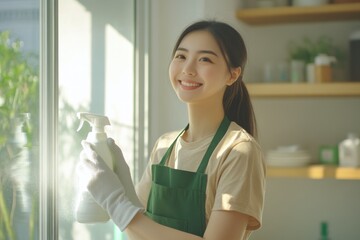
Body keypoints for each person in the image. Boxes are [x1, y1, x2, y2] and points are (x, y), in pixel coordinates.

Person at [78, 20, 266, 240]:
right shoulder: (166, 145)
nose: (187, 69)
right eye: (181, 56)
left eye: (205, 59)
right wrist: (123, 189)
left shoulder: (238, 152)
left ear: (232, 75)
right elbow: (139, 233)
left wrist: (117, 202)